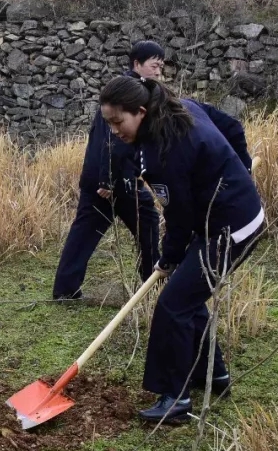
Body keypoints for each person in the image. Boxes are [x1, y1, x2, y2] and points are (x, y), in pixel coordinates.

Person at [97, 76, 264, 423]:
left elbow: (179, 216)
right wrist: (242, 170)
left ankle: (176, 400)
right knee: (187, 297)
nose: (114, 131)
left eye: (118, 122)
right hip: (231, 216)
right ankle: (213, 375)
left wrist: (169, 257)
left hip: (228, 228)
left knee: (173, 305)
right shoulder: (179, 107)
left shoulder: (163, 151)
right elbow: (231, 126)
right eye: (108, 123)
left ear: (140, 112)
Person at [52, 40, 252, 301]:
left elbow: (229, 126)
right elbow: (111, 141)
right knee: (131, 223)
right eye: (154, 65)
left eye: (161, 66)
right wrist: (108, 180)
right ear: (137, 64)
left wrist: (242, 166)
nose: (158, 71)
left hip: (117, 178)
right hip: (113, 181)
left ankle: (76, 288)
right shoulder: (122, 98)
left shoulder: (146, 98)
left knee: (94, 228)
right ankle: (153, 281)